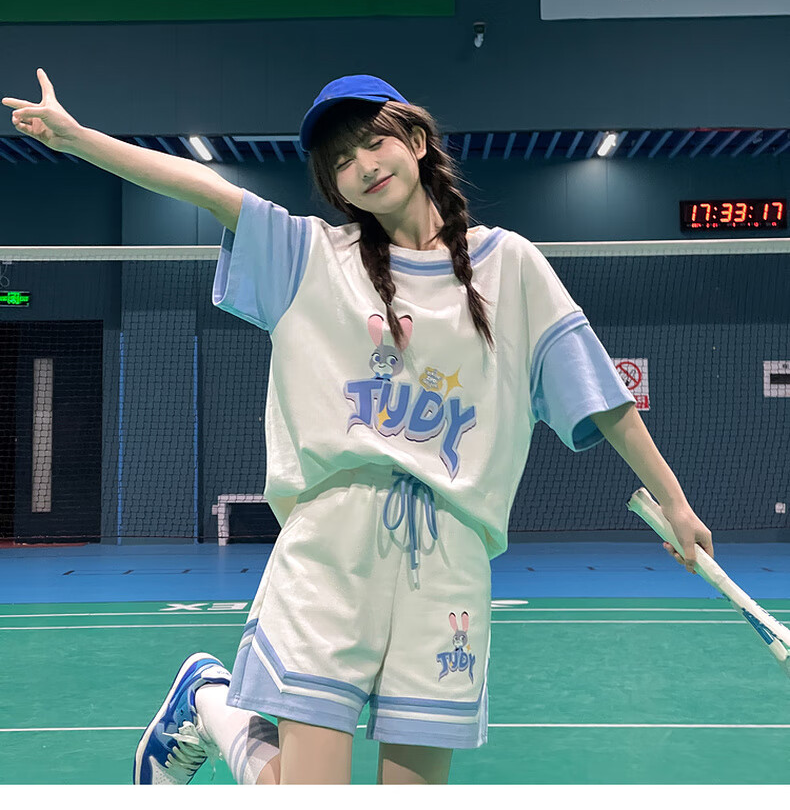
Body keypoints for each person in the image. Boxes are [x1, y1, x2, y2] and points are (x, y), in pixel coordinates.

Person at [2, 70, 714, 786]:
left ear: (417, 140)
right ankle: (212, 704)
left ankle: (209, 700)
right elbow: (206, 189)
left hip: (450, 562)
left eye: (375, 142)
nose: (364, 166)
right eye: (341, 161)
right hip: (330, 552)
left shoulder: (512, 267)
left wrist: (676, 502)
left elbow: (602, 398)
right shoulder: (309, 256)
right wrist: (77, 138)